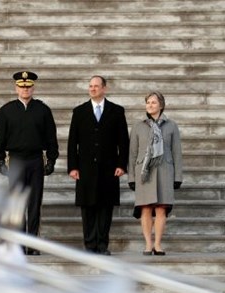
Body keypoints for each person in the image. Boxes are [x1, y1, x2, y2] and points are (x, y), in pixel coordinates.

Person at [0, 70, 59, 256]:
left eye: (28, 86)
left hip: (35, 160)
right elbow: (0, 137)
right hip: (15, 160)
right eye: (22, 86)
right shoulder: (6, 110)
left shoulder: (43, 109)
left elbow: (51, 137)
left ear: (33, 87)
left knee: (34, 203)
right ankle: (19, 243)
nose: (25, 89)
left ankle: (33, 243)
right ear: (16, 88)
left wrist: (52, 159)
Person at [67, 75, 129, 255]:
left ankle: (102, 245)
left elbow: (123, 141)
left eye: (96, 86)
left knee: (105, 207)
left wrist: (121, 164)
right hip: (85, 169)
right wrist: (72, 166)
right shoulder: (79, 112)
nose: (92, 89)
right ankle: (89, 245)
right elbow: (73, 142)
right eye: (90, 86)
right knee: (88, 208)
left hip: (109, 168)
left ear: (104, 88)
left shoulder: (117, 111)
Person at [127, 91, 183, 256]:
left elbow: (177, 152)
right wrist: (132, 177)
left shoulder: (171, 126)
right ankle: (147, 244)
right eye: (148, 102)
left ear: (161, 105)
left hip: (165, 171)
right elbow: (132, 153)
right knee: (145, 209)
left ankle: (158, 244)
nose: (150, 105)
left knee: (161, 209)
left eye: (153, 102)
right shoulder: (138, 126)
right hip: (144, 173)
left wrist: (177, 176)